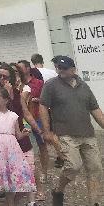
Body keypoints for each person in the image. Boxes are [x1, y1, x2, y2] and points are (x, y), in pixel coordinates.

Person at [39, 55, 104, 206]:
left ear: (73, 69)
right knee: (73, 166)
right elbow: (43, 106)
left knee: (95, 168)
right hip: (65, 134)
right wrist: (47, 131)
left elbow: (95, 110)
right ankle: (58, 189)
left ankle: (94, 202)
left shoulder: (83, 86)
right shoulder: (51, 85)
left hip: (87, 134)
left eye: (63, 68)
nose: (59, 70)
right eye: (58, 67)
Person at [0, 86, 36, 206]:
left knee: (19, 172)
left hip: (11, 148)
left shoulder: (13, 116)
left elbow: (17, 135)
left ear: (6, 100)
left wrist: (24, 134)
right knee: (1, 176)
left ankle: (22, 201)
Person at [17, 60, 48, 201]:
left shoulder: (38, 83)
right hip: (25, 121)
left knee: (42, 146)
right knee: (30, 152)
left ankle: (45, 172)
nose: (18, 71)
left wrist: (37, 99)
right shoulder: (18, 86)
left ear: (27, 68)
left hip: (38, 117)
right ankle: (30, 180)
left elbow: (46, 99)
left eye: (20, 68)